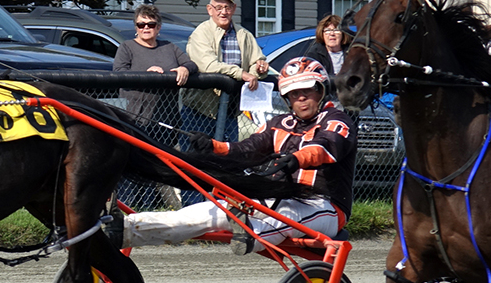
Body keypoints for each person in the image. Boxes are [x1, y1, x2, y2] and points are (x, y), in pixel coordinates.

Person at [113, 57, 356, 255]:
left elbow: (327, 146)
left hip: (326, 206)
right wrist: (212, 146)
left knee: (285, 215)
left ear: (321, 89)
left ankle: (250, 234)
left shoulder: (337, 120)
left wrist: (298, 159)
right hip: (275, 199)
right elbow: (246, 149)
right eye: (293, 93)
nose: (301, 97)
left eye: (307, 90)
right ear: (286, 98)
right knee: (204, 213)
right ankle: (126, 229)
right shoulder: (278, 123)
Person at [181, 0, 268, 204]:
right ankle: (192, 217)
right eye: (218, 7)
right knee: (195, 163)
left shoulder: (244, 35)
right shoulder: (201, 32)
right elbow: (208, 65)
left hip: (230, 111)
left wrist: (260, 68)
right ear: (209, 9)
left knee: (227, 162)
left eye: (227, 7)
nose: (223, 11)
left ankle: (221, 215)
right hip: (200, 109)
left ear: (234, 9)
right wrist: (241, 73)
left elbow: (257, 61)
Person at [113, 4, 197, 209]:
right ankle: (127, 208)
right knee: (131, 163)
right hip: (134, 118)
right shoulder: (127, 47)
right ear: (136, 27)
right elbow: (118, 72)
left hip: (165, 119)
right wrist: (146, 72)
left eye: (150, 24)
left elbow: (192, 64)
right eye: (141, 24)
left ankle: (151, 207)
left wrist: (184, 68)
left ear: (158, 27)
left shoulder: (169, 47)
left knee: (157, 164)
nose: (145, 28)